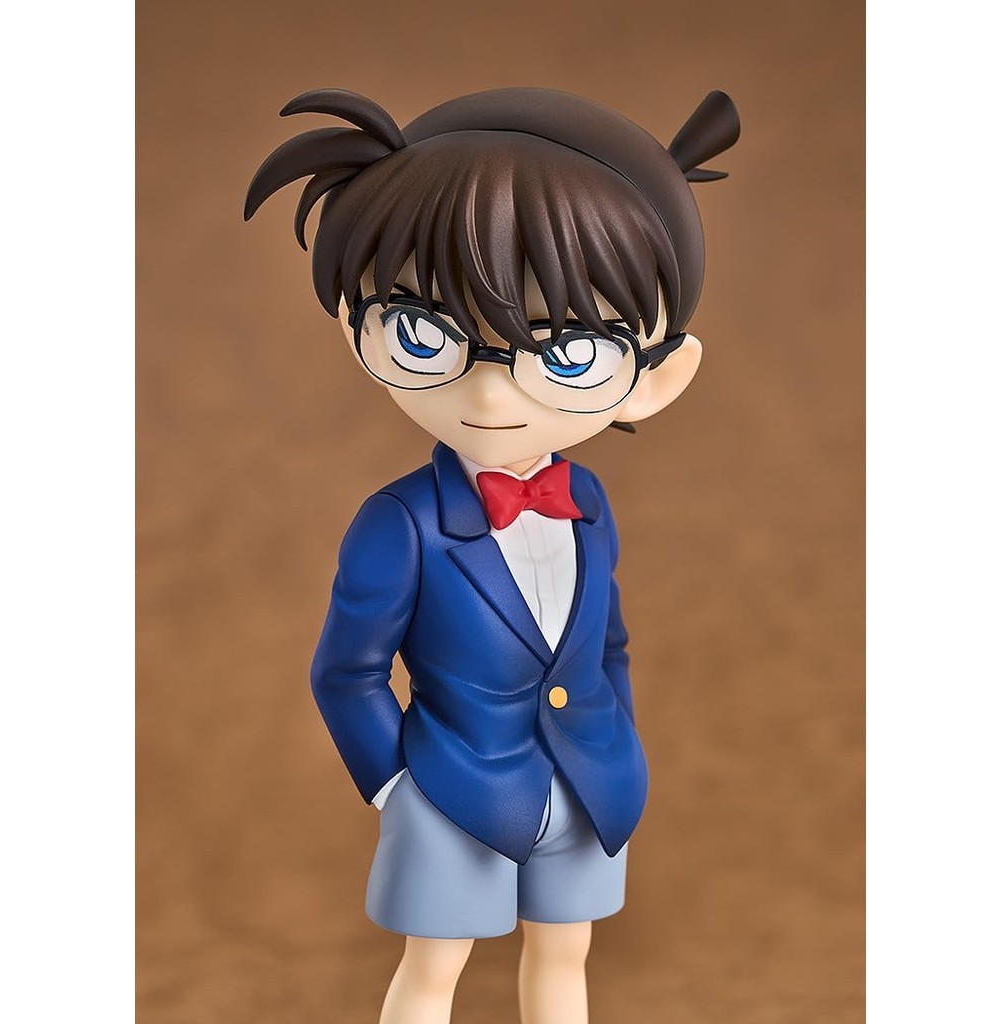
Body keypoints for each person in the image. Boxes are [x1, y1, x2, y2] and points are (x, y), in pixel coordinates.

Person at [245, 85, 739, 1024]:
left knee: (565, 961)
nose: (489, 393)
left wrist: (615, 743)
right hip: (454, 789)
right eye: (424, 334)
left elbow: (608, 645)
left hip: (588, 789)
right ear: (356, 325)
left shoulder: (587, 502)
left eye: (568, 351)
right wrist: (398, 787)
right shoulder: (400, 523)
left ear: (655, 378)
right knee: (433, 971)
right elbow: (346, 673)